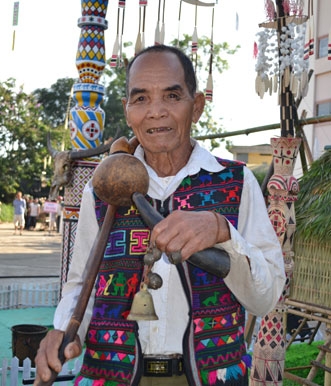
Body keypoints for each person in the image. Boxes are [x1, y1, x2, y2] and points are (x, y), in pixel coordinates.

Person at [35, 45, 286, 386]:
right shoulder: (102, 189)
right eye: (140, 99)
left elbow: (266, 296)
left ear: (195, 107)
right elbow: (80, 282)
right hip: (113, 377)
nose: (155, 111)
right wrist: (65, 328)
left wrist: (222, 231)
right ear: (127, 111)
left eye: (171, 95)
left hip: (212, 377)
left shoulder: (236, 182)